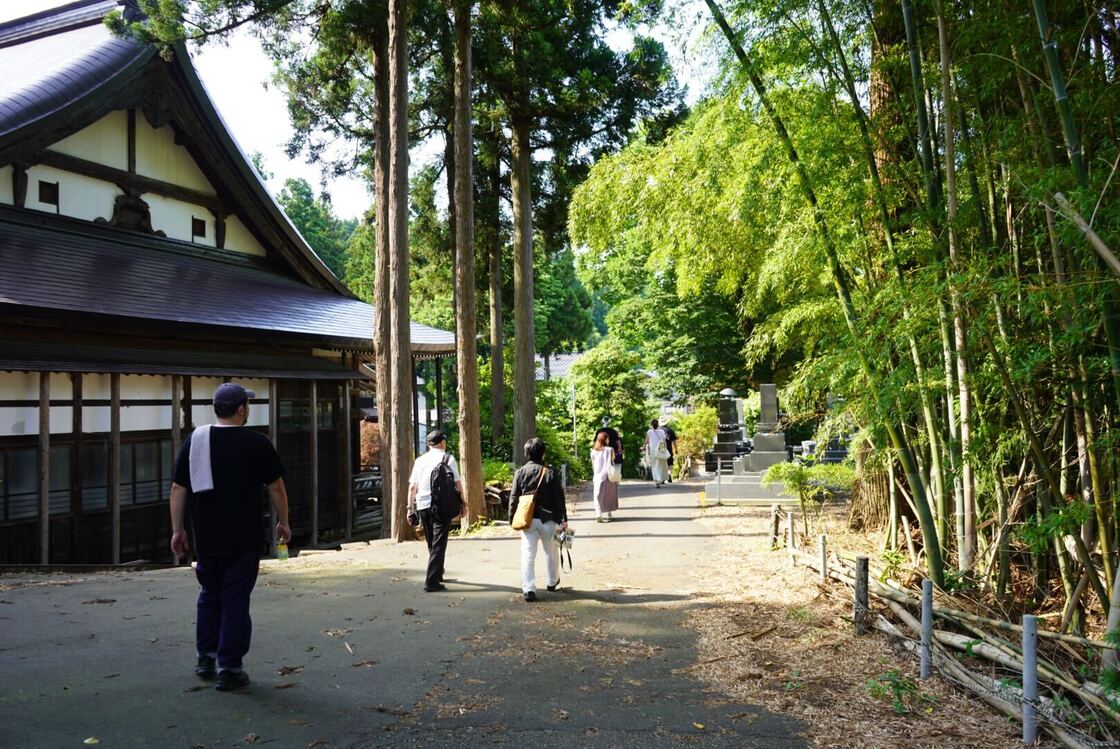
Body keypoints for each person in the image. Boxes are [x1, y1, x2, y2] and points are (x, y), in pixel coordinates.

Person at [170, 383, 290, 692]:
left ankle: (206, 657)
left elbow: (178, 488)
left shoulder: (196, 440)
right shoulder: (257, 442)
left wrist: (178, 529)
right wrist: (284, 522)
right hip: (244, 535)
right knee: (235, 599)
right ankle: (230, 667)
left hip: (206, 535)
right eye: (246, 405)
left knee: (209, 594)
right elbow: (276, 486)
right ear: (240, 410)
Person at [509, 437, 568, 601]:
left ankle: (529, 588)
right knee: (552, 551)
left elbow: (513, 498)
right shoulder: (550, 472)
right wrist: (563, 519)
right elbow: (559, 498)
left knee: (528, 554)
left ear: (526, 453)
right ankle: (552, 582)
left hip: (527, 519)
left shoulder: (520, 472)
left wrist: (512, 519)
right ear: (543, 453)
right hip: (549, 519)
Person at [407, 429, 463, 593]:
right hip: (442, 506)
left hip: (423, 505)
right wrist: (463, 504)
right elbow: (458, 483)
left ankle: (437, 572)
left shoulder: (420, 460)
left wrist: (410, 508)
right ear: (443, 443)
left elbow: (412, 487)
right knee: (439, 543)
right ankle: (431, 581)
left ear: (429, 444)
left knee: (432, 542)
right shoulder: (448, 459)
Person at [590, 430, 620, 522]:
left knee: (597, 495)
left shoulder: (593, 452)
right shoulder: (610, 450)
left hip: (598, 475)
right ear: (605, 440)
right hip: (609, 475)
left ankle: (598, 514)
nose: (608, 440)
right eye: (608, 439)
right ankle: (609, 513)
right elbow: (613, 459)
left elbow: (593, 465)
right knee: (609, 495)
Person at [644, 418, 670, 488]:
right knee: (660, 466)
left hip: (653, 451)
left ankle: (656, 480)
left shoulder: (649, 432)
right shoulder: (661, 431)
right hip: (660, 450)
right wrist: (665, 449)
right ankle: (659, 480)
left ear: (651, 425)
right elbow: (664, 441)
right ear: (658, 424)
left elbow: (647, 441)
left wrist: (643, 446)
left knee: (654, 466)